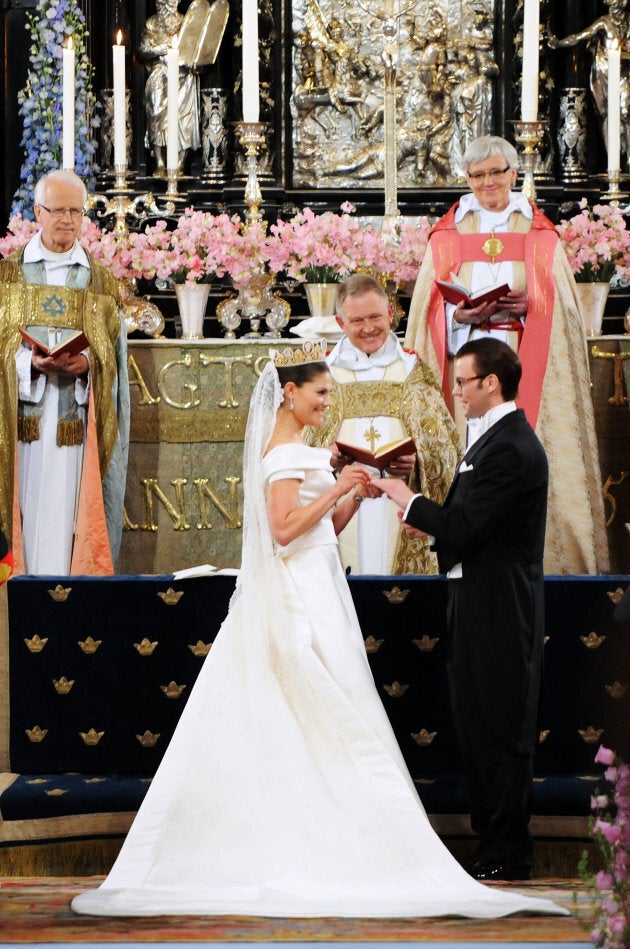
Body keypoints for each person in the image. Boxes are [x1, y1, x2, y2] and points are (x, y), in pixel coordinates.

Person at [71, 341, 565, 918]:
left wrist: (356, 491)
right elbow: (283, 533)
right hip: (296, 592)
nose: (331, 402)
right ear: (290, 393)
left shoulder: (307, 451)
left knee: (338, 705)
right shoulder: (283, 456)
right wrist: (340, 485)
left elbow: (324, 530)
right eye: (323, 392)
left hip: (326, 582)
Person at [374, 337, 548, 882]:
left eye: (463, 382)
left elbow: (470, 526)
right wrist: (426, 514)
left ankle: (508, 851)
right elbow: (467, 520)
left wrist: (408, 500)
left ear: (490, 382)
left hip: (499, 605)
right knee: (478, 722)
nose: (457, 392)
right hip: (475, 599)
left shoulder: (510, 446)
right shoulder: (490, 442)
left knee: (500, 725)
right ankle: (491, 845)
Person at [405, 134, 608, 575]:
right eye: (478, 175)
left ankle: (548, 562)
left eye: (497, 172)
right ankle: (458, 546)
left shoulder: (539, 234)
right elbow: (426, 313)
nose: (488, 182)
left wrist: (532, 305)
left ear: (514, 174)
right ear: (468, 179)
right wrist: (459, 314)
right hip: (466, 369)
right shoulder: (448, 234)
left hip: (520, 367)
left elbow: (565, 314)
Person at [0, 170, 129, 575]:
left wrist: (88, 364)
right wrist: (27, 364)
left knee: (71, 513)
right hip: (23, 426)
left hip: (76, 427)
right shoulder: (9, 276)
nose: (68, 220)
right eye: (58, 210)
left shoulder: (100, 280)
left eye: (76, 210)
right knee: (28, 510)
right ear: (38, 212)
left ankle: (70, 610)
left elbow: (115, 354)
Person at [308, 274, 460, 574]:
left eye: (376, 317)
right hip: (344, 501)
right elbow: (297, 447)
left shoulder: (413, 370)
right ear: (341, 324)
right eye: (357, 320)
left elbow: (445, 448)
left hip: (398, 504)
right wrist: (327, 458)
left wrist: (415, 463)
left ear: (390, 312)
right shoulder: (321, 375)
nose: (368, 328)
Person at [549, 0, 630, 170]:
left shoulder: (627, 21)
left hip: (624, 72)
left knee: (626, 111)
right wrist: (559, 43)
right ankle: (612, 163)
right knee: (607, 114)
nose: (615, 5)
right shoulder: (604, 21)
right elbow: (580, 36)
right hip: (604, 71)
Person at [138, 0, 201, 175]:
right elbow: (142, 50)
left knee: (183, 115)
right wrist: (156, 50)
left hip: (182, 73)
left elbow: (195, 50)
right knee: (157, 111)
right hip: (159, 71)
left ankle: (180, 162)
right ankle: (159, 162)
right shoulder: (152, 23)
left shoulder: (185, 21)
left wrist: (192, 63)